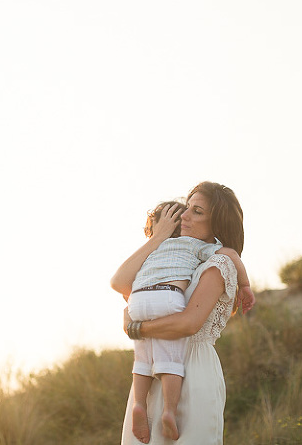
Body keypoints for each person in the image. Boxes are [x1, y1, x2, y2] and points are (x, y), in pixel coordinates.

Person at [110, 182, 255, 444]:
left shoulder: (218, 263)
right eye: (187, 208)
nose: (184, 216)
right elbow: (120, 281)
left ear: (217, 224)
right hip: (152, 372)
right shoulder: (173, 260)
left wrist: (136, 329)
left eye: (197, 211)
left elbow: (188, 323)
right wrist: (158, 237)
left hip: (193, 372)